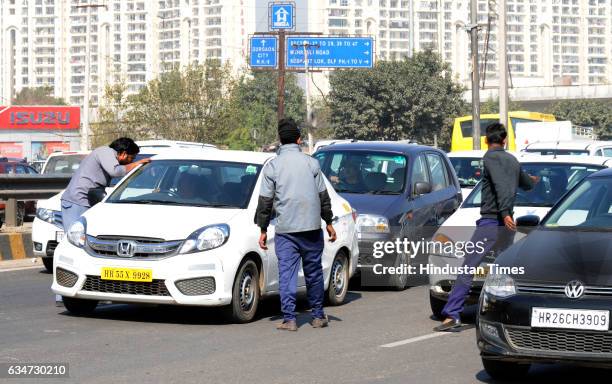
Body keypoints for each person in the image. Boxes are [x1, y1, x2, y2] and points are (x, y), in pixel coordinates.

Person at [433, 123, 538, 332]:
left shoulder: (490, 158)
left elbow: (500, 185)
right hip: (506, 227)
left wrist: (505, 211)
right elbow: (525, 183)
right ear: (505, 140)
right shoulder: (513, 160)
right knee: (504, 271)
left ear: (486, 141)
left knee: (468, 268)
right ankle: (509, 312)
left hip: (491, 222)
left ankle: (453, 314)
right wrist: (533, 180)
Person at [255, 118, 337, 331]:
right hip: (311, 229)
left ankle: (290, 319)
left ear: (280, 140)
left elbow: (265, 202)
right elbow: (323, 197)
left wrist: (262, 230)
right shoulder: (312, 163)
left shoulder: (272, 166)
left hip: (286, 231)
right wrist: (329, 222)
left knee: (287, 274)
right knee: (313, 272)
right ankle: (318, 316)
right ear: (299, 139)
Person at [60, 138, 149, 232]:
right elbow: (115, 171)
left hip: (87, 201)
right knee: (74, 237)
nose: (131, 162)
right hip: (77, 201)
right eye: (132, 158)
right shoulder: (105, 152)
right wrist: (137, 164)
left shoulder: (109, 158)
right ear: (123, 154)